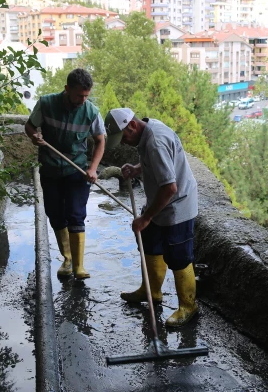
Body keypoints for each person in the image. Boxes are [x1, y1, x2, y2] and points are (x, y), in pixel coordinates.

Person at [104, 108, 199, 328]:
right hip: (159, 201)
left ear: (132, 125)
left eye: (123, 137)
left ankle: (188, 306)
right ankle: (151, 291)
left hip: (177, 205)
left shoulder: (155, 142)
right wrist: (137, 169)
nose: (123, 143)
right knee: (150, 244)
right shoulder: (148, 130)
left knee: (179, 256)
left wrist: (146, 217)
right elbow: (161, 165)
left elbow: (170, 187)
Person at [25, 68, 105, 279]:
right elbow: (30, 126)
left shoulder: (91, 112)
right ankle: (67, 259)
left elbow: (100, 141)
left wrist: (92, 168)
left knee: (76, 214)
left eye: (86, 95)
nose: (83, 100)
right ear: (67, 89)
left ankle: (79, 266)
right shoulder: (46, 103)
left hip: (76, 170)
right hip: (50, 169)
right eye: (79, 95)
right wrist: (34, 137)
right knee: (55, 214)